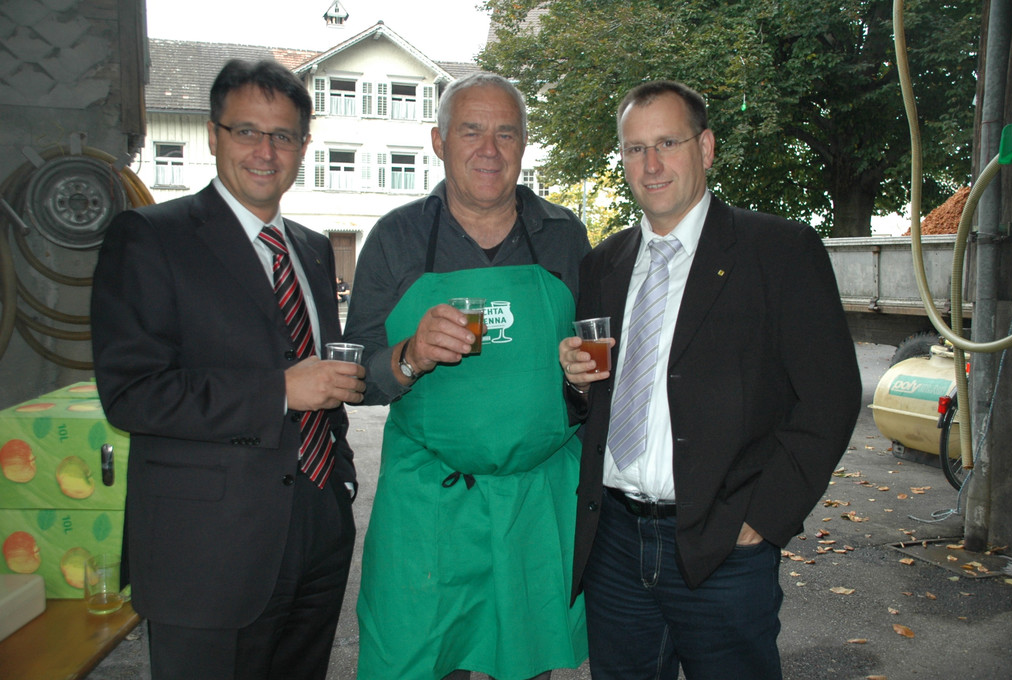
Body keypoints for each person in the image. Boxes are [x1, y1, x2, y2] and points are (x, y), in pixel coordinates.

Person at [559, 80, 861, 679]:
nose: (651, 164)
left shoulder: (779, 250)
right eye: (635, 148)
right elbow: (594, 403)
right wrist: (578, 386)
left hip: (724, 548)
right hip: (615, 543)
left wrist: (764, 519)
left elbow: (830, 398)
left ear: (706, 147)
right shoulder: (603, 263)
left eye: (667, 143)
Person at [90, 59, 364, 680]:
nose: (266, 152)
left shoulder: (313, 249)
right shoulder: (150, 237)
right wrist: (278, 391)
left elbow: (325, 379)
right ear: (214, 136)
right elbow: (132, 393)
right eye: (246, 131)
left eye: (283, 136)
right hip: (206, 552)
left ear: (303, 147)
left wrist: (340, 486)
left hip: (317, 531)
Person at [344, 72, 590, 680]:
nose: (490, 149)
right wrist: (409, 354)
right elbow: (357, 376)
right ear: (439, 141)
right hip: (430, 502)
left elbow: (596, 360)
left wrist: (584, 381)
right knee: (432, 662)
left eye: (506, 133)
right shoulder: (397, 238)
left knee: (527, 666)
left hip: (536, 502)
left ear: (524, 144)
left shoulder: (564, 236)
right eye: (471, 131)